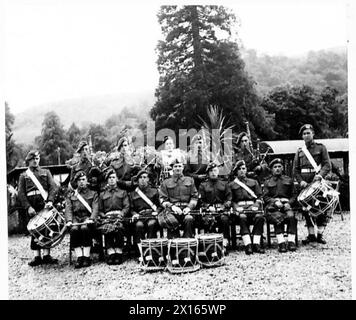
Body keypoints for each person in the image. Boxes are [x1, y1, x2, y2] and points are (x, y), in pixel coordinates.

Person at [17, 150, 59, 266]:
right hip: (32, 205)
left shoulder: (46, 172)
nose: (35, 161)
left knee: (46, 228)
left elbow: (53, 187)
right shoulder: (23, 176)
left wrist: (50, 200)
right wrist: (28, 207)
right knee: (34, 229)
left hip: (44, 203)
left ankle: (46, 255)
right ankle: (37, 257)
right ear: (28, 161)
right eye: (33, 159)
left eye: (37, 159)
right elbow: (21, 193)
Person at [293, 124, 331, 245]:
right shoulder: (299, 151)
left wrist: (320, 175)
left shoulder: (321, 148)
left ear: (313, 134)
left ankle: (320, 234)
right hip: (305, 184)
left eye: (308, 133)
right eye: (304, 134)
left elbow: (327, 165)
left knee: (320, 206)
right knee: (306, 209)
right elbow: (295, 170)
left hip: (317, 183)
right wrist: (300, 181)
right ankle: (310, 234)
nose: (306, 135)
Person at [229, 160, 265, 255]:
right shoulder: (232, 185)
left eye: (243, 169)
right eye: (239, 169)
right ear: (236, 171)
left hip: (252, 207)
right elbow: (230, 200)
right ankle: (248, 244)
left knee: (260, 217)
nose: (241, 171)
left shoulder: (253, 182)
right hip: (240, 209)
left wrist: (256, 206)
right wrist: (236, 208)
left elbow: (259, 197)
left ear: (246, 170)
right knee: (242, 217)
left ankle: (256, 243)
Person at [263, 158, 297, 252]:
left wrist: (289, 203)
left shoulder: (289, 180)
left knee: (291, 216)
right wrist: (274, 202)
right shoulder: (267, 182)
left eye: (279, 166)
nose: (277, 169)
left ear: (282, 168)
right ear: (271, 169)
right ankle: (281, 242)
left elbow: (294, 195)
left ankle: (291, 241)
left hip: (286, 206)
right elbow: (265, 197)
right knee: (278, 217)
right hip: (273, 208)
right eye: (275, 167)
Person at [65, 171, 98, 268]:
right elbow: (68, 209)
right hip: (75, 217)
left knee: (85, 228)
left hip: (87, 217)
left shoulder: (93, 193)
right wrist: (69, 220)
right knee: (74, 229)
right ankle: (79, 257)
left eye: (83, 179)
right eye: (79, 180)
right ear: (76, 182)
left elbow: (95, 208)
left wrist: (92, 218)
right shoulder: (71, 195)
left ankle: (86, 256)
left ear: (87, 181)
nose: (81, 182)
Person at [159, 157, 198, 238]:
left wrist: (189, 208)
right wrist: (172, 207)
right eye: (175, 166)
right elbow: (162, 199)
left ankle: (187, 242)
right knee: (171, 222)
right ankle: (173, 244)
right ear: (172, 168)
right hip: (172, 211)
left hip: (186, 211)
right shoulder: (166, 182)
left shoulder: (190, 180)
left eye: (180, 166)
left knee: (189, 219)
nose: (178, 168)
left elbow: (194, 197)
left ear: (183, 167)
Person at [98, 168, 130, 265]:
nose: (111, 179)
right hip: (107, 217)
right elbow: (100, 209)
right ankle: (111, 252)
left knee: (119, 228)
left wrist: (122, 214)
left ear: (116, 179)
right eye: (109, 178)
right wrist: (103, 216)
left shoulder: (123, 192)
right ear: (107, 180)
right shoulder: (102, 194)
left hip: (119, 216)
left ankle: (119, 252)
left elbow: (126, 206)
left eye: (113, 177)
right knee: (107, 229)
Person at [198, 162, 232, 250]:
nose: (213, 173)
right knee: (207, 220)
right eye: (211, 171)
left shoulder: (224, 184)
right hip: (209, 211)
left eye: (215, 170)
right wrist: (208, 207)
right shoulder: (203, 185)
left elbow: (229, 198)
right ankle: (210, 244)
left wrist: (224, 206)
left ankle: (224, 243)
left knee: (224, 219)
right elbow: (201, 200)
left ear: (218, 172)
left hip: (222, 210)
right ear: (208, 173)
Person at [130, 169, 161, 253]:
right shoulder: (133, 194)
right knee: (139, 225)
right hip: (140, 216)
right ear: (137, 180)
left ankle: (152, 250)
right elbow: (131, 209)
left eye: (144, 177)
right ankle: (141, 251)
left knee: (152, 224)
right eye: (140, 177)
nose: (142, 179)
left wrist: (157, 212)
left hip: (151, 215)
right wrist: (134, 214)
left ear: (148, 179)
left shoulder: (154, 191)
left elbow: (160, 206)